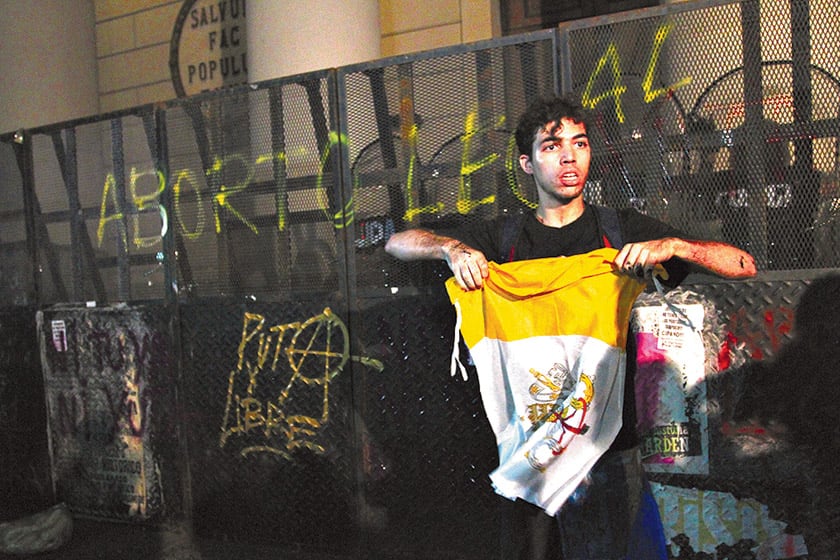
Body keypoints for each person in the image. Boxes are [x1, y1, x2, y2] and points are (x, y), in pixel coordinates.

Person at [385, 95, 756, 559]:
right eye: (551, 146)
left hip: (606, 449)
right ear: (526, 162)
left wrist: (673, 245)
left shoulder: (619, 232)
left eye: (579, 144)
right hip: (529, 450)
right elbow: (398, 242)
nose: (568, 157)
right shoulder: (504, 240)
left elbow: (742, 265)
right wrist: (450, 250)